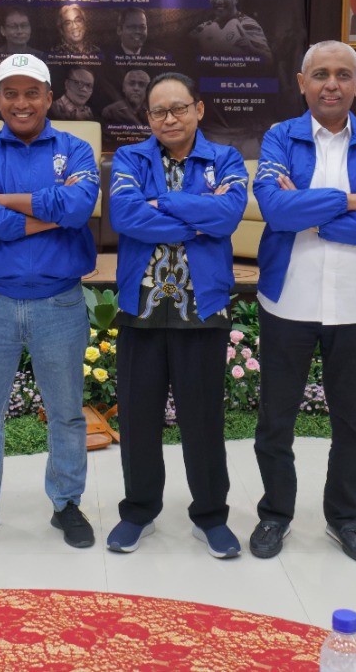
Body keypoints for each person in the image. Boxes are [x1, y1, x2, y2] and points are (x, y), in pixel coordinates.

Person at [249, 41, 356, 562]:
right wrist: (353, 201)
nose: (331, 84)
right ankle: (275, 514)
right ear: (302, 83)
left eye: (343, 75)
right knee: (276, 421)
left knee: (352, 424)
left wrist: (315, 215)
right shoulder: (281, 137)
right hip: (288, 303)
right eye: (320, 74)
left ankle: (344, 518)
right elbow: (276, 210)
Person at [0, 53, 100, 550]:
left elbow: (79, 206)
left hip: (59, 303)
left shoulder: (76, 149)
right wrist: (48, 212)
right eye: (10, 93)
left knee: (67, 412)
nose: (22, 103)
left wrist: (3, 200)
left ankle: (66, 503)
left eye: (32, 92)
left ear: (49, 98)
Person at [106, 72, 248, 557]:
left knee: (203, 419)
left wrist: (161, 203)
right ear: (148, 117)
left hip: (202, 309)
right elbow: (125, 216)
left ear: (198, 109)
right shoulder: (130, 158)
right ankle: (138, 511)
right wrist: (197, 216)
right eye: (159, 111)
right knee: (138, 419)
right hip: (141, 308)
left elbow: (228, 215)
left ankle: (210, 516)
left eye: (179, 108)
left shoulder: (225, 159)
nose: (169, 119)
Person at [190, 0, 271, 62]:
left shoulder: (248, 24)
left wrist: (252, 50)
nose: (219, 1)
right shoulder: (203, 28)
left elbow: (269, 60)